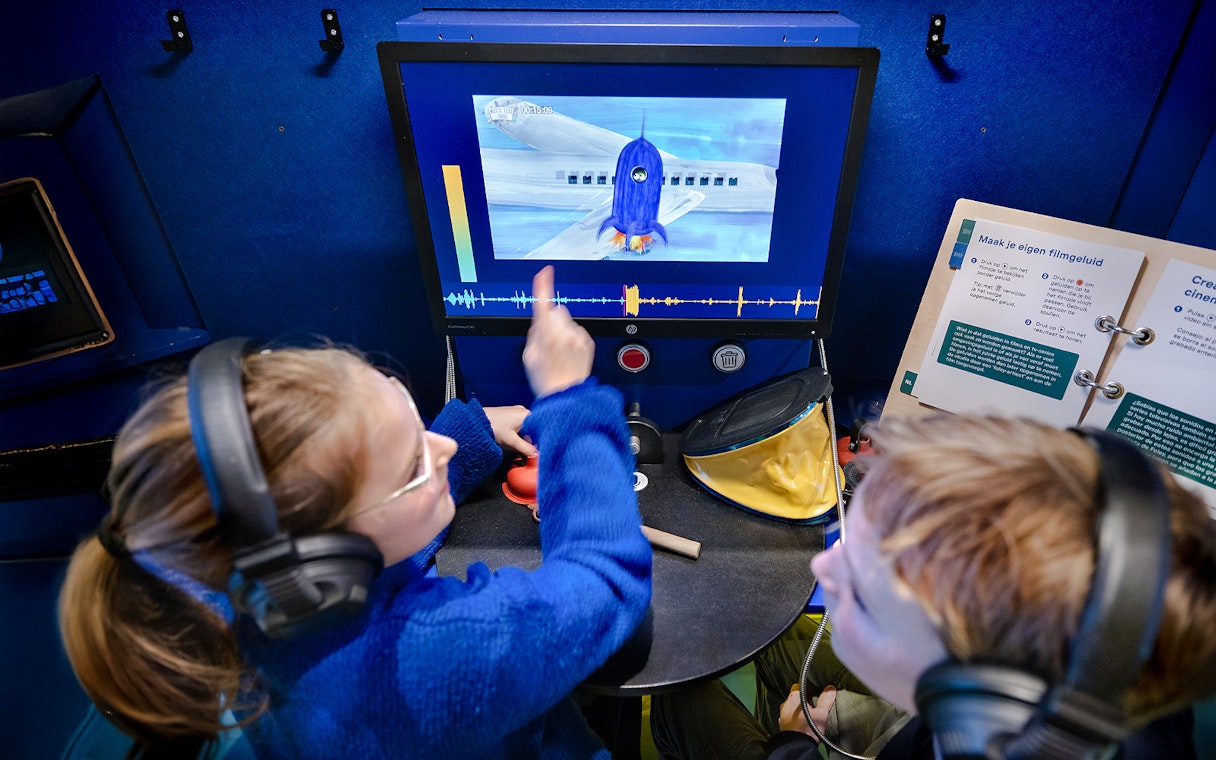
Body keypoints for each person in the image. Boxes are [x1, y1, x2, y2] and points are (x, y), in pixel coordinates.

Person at [58, 265, 653, 758]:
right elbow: (605, 577)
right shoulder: (445, 654)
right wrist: (568, 398)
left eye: (407, 410)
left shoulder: (245, 589)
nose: (439, 446)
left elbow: (374, 536)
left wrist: (469, 431)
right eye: (413, 464)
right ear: (326, 563)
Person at [651, 413, 1216, 760]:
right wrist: (866, 721)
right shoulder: (1109, 673)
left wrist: (792, 752)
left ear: (977, 702)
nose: (823, 571)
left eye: (866, 598)